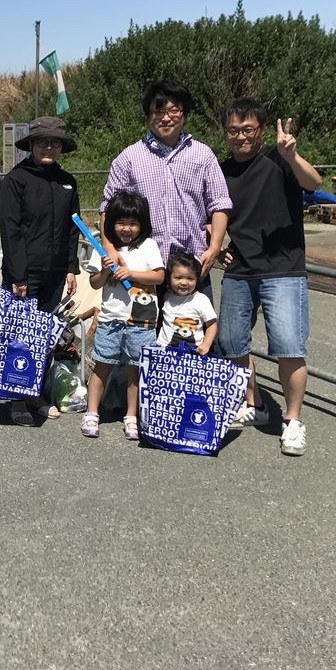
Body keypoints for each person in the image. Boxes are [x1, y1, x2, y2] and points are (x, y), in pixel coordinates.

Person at [215, 99, 321, 456]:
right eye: (233, 130)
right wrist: (217, 246)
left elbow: (314, 182)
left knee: (289, 346)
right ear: (225, 133)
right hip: (240, 269)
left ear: (260, 130)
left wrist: (292, 155)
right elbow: (212, 214)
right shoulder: (221, 170)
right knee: (232, 344)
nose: (240, 136)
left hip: (284, 269)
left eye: (248, 129)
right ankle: (255, 404)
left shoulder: (280, 159)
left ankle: (292, 421)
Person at [100, 80, 233, 299]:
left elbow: (219, 204)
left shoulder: (203, 155)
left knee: (194, 322)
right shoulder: (128, 158)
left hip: (190, 267)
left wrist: (214, 248)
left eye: (173, 110)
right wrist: (109, 249)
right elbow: (107, 207)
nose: (166, 117)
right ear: (148, 115)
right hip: (142, 269)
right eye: (158, 111)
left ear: (184, 113)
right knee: (142, 323)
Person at [0, 116, 81, 425]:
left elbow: (73, 229)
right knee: (21, 336)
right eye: (43, 142)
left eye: (55, 143)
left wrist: (71, 268)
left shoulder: (67, 182)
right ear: (31, 145)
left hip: (55, 272)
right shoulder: (16, 180)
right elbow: (10, 230)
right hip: (25, 273)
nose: (49, 147)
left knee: (44, 336)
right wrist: (18, 274)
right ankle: (17, 398)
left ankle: (35, 393)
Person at [82, 191, 164, 440]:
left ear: (142, 224)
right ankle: (91, 412)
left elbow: (159, 276)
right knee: (101, 365)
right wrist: (106, 271)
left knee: (135, 370)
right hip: (110, 319)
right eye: (120, 223)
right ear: (111, 223)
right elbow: (95, 283)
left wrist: (131, 274)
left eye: (133, 223)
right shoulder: (104, 250)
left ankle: (131, 416)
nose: (127, 229)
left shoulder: (148, 246)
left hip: (142, 321)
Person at [156, 250, 217, 355]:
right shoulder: (167, 296)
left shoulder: (201, 300)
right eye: (178, 278)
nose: (184, 282)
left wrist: (206, 344)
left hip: (193, 352)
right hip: (164, 350)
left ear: (197, 279)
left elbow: (212, 324)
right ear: (169, 278)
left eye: (190, 278)